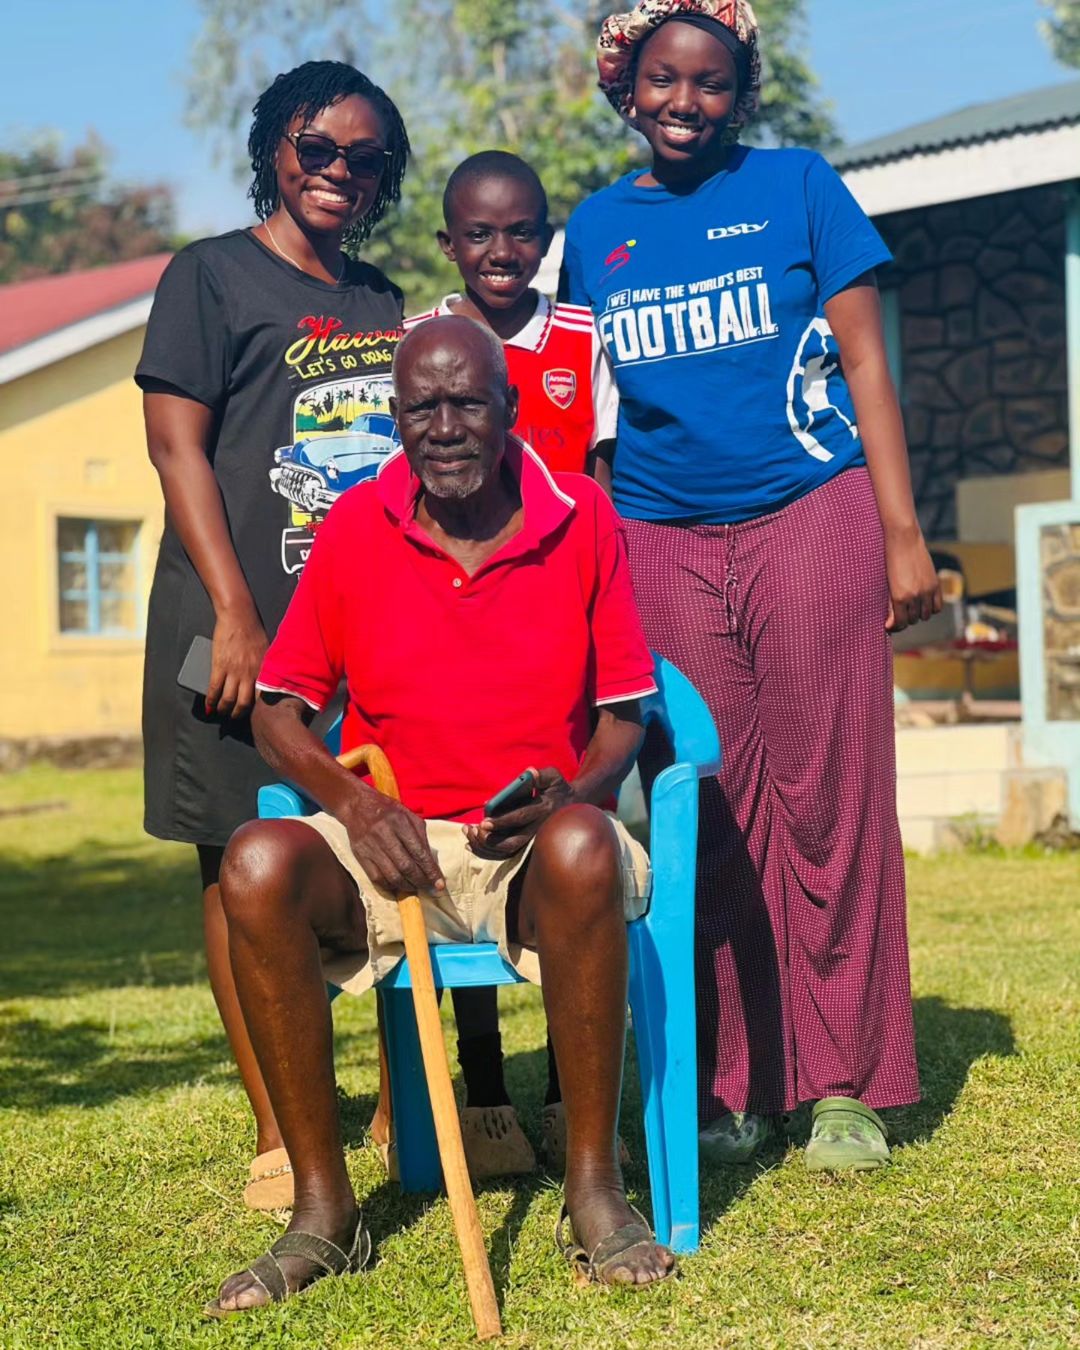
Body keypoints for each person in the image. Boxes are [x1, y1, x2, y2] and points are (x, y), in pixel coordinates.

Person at [204, 316, 675, 1314]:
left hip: (530, 848)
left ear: (510, 413)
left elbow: (627, 714)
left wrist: (575, 792)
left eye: (470, 403)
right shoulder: (353, 525)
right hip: (393, 843)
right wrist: (355, 803)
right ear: (396, 418)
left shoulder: (581, 513)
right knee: (252, 861)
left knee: (590, 843)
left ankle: (595, 1191)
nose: (448, 426)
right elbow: (281, 711)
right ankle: (324, 1216)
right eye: (425, 407)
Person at [560, 0, 940, 1171]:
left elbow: (866, 355)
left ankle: (841, 1087)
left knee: (831, 795)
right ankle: (729, 1085)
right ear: (628, 89)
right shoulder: (591, 229)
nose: (687, 102)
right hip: (658, 537)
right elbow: (585, 416)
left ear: (741, 93)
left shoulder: (800, 186)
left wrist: (902, 528)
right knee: (708, 808)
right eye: (664, 81)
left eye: (712, 83)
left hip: (809, 510)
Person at [135, 60, 409, 1211]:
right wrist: (239, 612)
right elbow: (176, 448)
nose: (339, 171)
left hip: (362, 633)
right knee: (233, 856)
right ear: (274, 150)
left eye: (365, 157)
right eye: (317, 147)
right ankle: (272, 1123)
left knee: (397, 850)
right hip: (227, 626)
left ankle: (407, 1104)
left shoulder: (387, 302)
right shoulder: (208, 277)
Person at [404, 151, 622, 1180]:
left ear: (547, 236)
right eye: (478, 235)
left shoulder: (582, 339)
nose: (502, 252)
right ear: (448, 244)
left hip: (562, 631)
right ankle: (482, 1083)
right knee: (470, 832)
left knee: (558, 841)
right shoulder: (420, 343)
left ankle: (567, 1092)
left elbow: (605, 485)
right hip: (456, 633)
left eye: (522, 231)